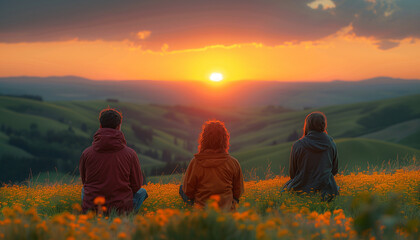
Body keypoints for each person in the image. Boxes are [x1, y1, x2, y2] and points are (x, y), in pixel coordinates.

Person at [79, 108, 148, 214]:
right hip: (120, 209)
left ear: (100, 126)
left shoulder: (86, 153)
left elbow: (85, 181)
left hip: (92, 209)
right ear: (119, 126)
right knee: (142, 192)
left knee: (84, 189)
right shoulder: (130, 154)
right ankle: (129, 216)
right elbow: (137, 185)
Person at [179, 120, 244, 211]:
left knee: (181, 189)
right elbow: (238, 193)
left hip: (202, 214)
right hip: (227, 214)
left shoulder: (196, 162)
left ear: (204, 139)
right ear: (225, 140)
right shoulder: (233, 163)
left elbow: (188, 192)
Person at [283, 112, 339, 201]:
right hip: (327, 191)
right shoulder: (331, 143)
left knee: (283, 193)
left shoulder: (298, 145)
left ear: (307, 125)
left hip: (301, 190)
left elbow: (292, 174)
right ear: (323, 125)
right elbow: (334, 170)